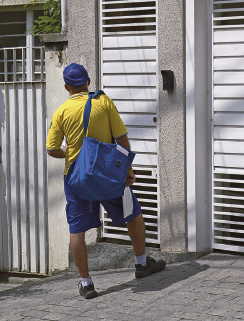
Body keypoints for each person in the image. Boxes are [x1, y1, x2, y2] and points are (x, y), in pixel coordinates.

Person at [46, 63, 166, 299]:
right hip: (108, 175)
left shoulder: (61, 111)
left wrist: (67, 151)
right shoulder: (103, 102)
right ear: (88, 81)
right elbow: (121, 139)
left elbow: (51, 150)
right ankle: (141, 263)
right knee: (133, 213)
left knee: (77, 229)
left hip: (76, 178)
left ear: (66, 86)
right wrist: (128, 170)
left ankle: (86, 283)